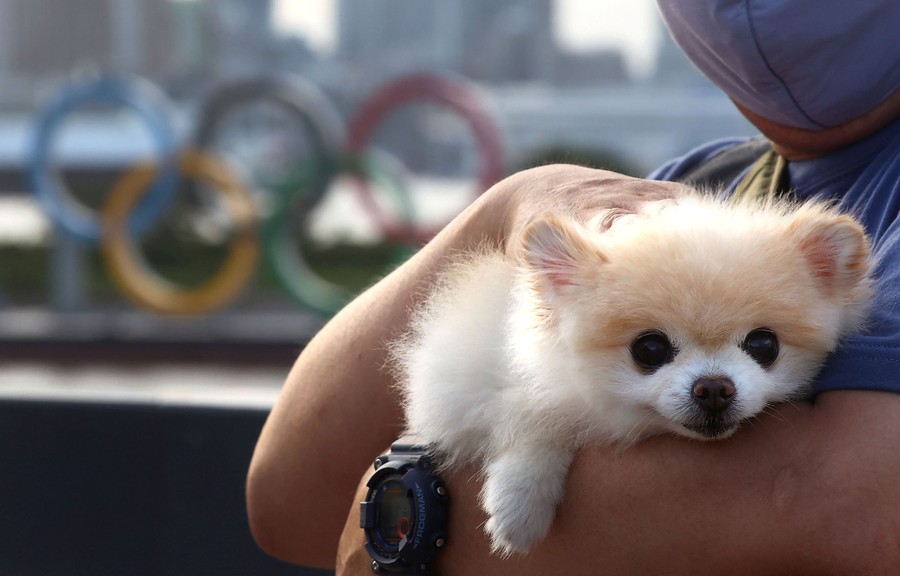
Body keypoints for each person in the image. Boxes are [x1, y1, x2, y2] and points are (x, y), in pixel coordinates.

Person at [246, 1, 900, 573]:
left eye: (759, 346)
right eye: (651, 350)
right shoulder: (697, 183)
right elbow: (287, 502)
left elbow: (850, 519)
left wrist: (405, 528)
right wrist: (513, 205)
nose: (713, 384)